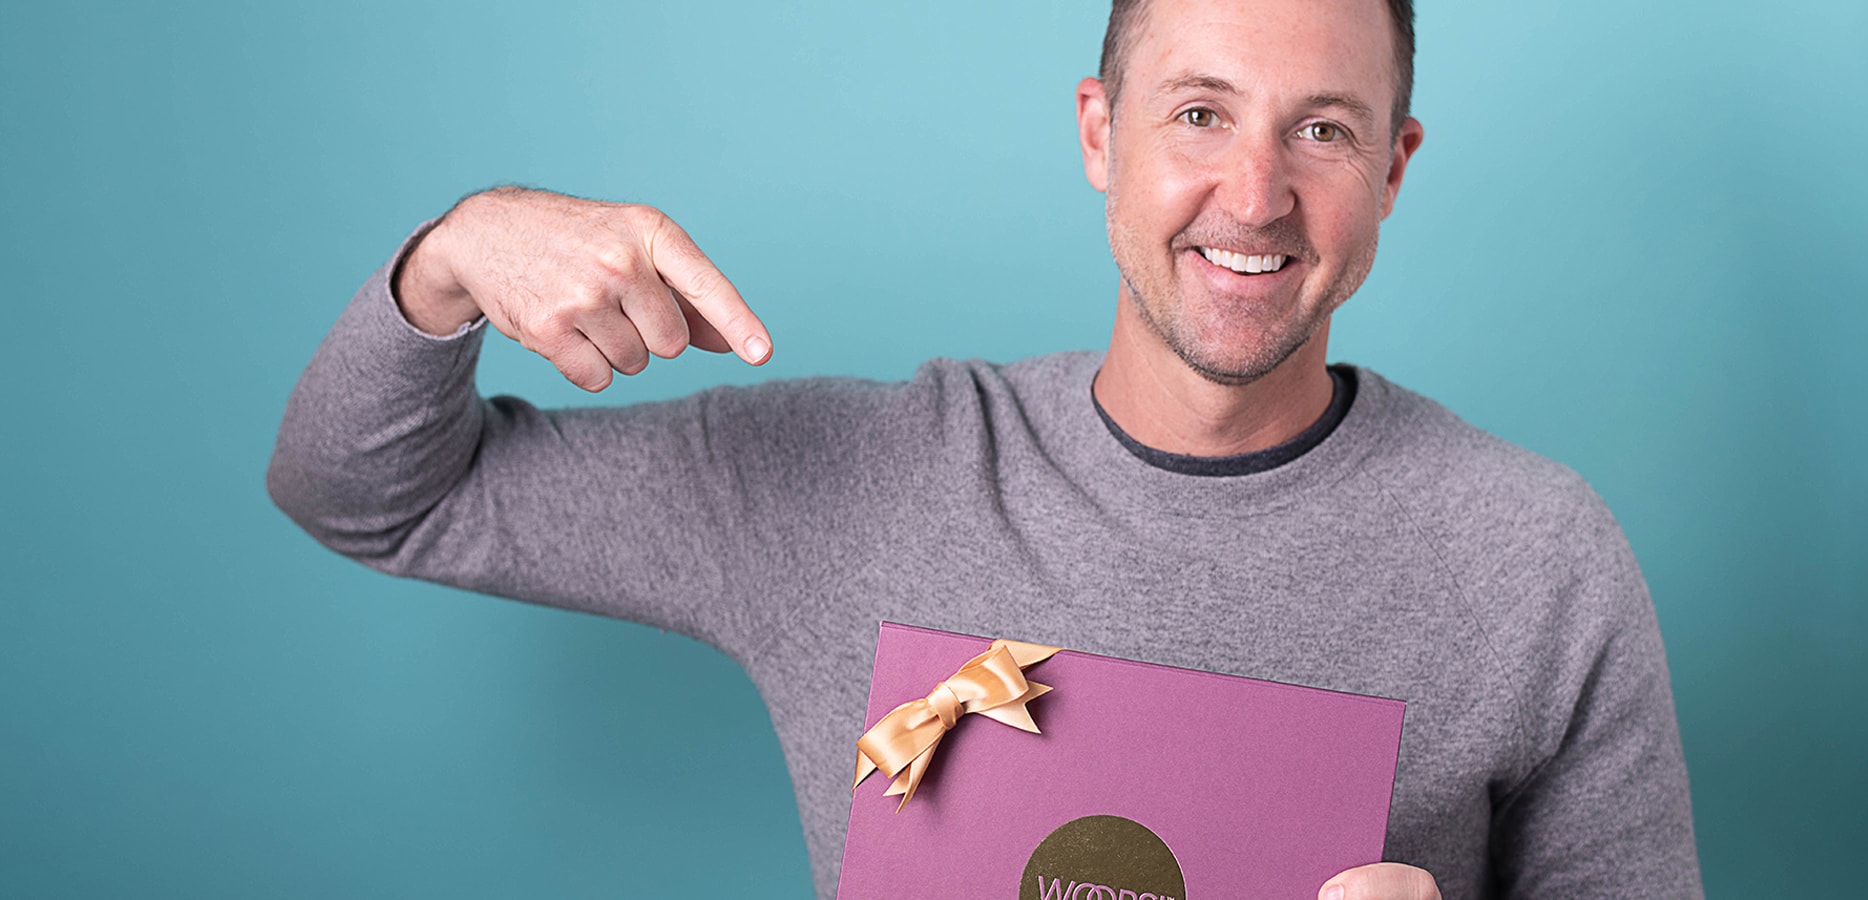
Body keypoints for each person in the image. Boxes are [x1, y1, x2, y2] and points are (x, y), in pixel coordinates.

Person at [267, 0, 1702, 896]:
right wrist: (447, 259)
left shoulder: (1532, 552)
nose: (1252, 196)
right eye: (1198, 113)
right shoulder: (855, 482)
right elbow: (366, 498)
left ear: (1391, 165)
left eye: (1320, 131)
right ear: (1099, 133)